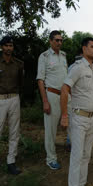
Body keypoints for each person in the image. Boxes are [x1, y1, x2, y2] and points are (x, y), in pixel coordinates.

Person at [60, 37, 93, 186]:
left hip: (91, 119)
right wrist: (64, 115)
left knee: (86, 155)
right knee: (77, 157)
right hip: (78, 118)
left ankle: (81, 184)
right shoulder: (77, 67)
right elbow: (64, 89)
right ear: (84, 49)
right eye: (92, 47)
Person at [36, 30, 68, 170]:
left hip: (65, 95)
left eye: (61, 40)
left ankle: (73, 147)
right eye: (56, 40)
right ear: (50, 41)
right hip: (52, 95)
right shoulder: (44, 56)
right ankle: (51, 158)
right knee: (51, 130)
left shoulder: (64, 55)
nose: (59, 43)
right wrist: (45, 101)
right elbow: (40, 80)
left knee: (72, 123)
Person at [0, 36, 24, 175]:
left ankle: (11, 161)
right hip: (0, 99)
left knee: (14, 131)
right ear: (2, 47)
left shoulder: (18, 64)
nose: (9, 48)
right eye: (6, 46)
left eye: (11, 46)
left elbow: (21, 81)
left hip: (14, 98)